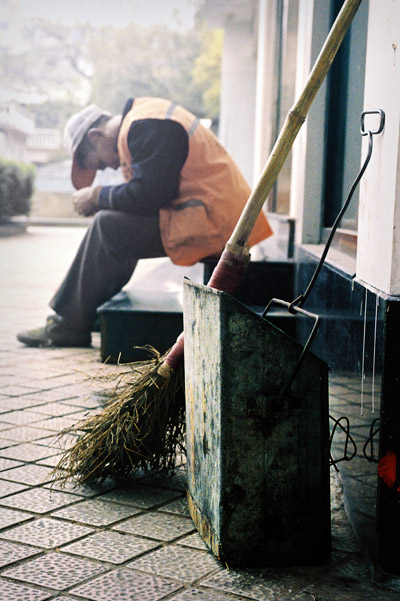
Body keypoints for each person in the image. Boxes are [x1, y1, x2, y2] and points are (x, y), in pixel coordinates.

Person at [17, 97, 273, 347]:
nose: (109, 167)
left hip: (221, 224)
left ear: (96, 135)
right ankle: (85, 313)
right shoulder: (145, 120)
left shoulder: (148, 124)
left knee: (109, 227)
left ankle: (68, 325)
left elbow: (150, 194)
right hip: (218, 218)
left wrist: (98, 196)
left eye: (100, 164)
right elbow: (151, 192)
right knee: (115, 224)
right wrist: (107, 199)